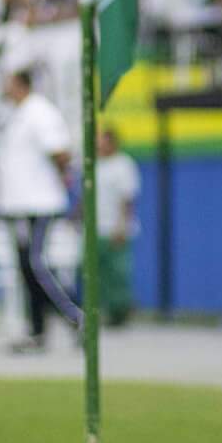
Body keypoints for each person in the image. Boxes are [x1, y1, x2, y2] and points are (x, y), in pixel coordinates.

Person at [0, 68, 75, 353]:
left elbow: (60, 152)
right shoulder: (14, 114)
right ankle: (37, 331)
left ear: (20, 84)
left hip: (38, 202)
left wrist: (62, 179)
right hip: (18, 204)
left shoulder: (40, 112)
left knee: (36, 264)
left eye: (8, 82)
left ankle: (77, 317)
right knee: (27, 269)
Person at [90, 125, 141, 329]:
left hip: (115, 229)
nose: (98, 144)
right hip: (94, 229)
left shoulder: (123, 165)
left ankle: (121, 312)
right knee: (94, 273)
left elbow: (127, 199)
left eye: (102, 140)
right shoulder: (93, 164)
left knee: (118, 274)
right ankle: (97, 311)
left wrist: (122, 226)